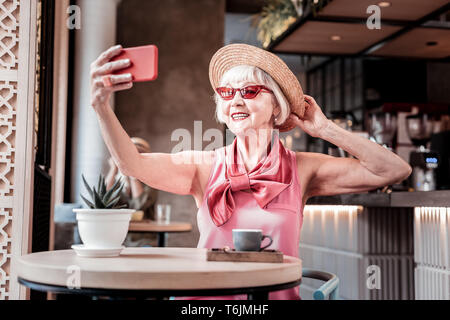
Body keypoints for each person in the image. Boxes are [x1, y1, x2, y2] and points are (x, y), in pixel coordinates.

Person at [89, 43, 412, 299]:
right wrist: (101, 106)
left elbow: (392, 170)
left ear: (277, 105)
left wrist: (326, 129)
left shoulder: (303, 167)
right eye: (228, 93)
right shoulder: (202, 166)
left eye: (251, 91)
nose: (236, 100)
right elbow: (130, 163)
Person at [105, 136, 158, 247]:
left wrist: (133, 173)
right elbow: (103, 200)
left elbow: (139, 205)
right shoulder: (119, 181)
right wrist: (114, 168)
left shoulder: (152, 180)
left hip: (143, 240)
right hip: (115, 239)